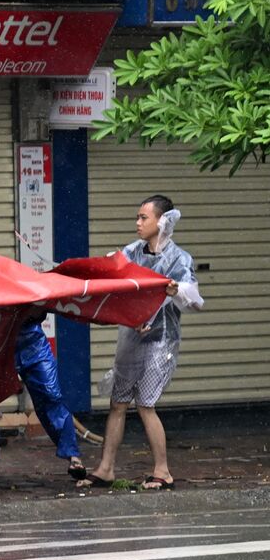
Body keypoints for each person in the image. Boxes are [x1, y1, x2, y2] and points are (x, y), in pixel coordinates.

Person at [77, 195, 201, 491]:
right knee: (118, 403)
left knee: (146, 404)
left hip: (161, 341)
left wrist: (176, 292)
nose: (137, 223)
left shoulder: (179, 259)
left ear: (163, 221)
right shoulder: (132, 252)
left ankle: (163, 471)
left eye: (143, 217)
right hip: (131, 335)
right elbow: (113, 279)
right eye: (137, 217)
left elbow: (195, 301)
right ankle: (106, 468)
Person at [0, 246, 86, 483]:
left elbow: (41, 303)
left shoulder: (10, 280)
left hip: (31, 345)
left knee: (51, 397)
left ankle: (73, 456)